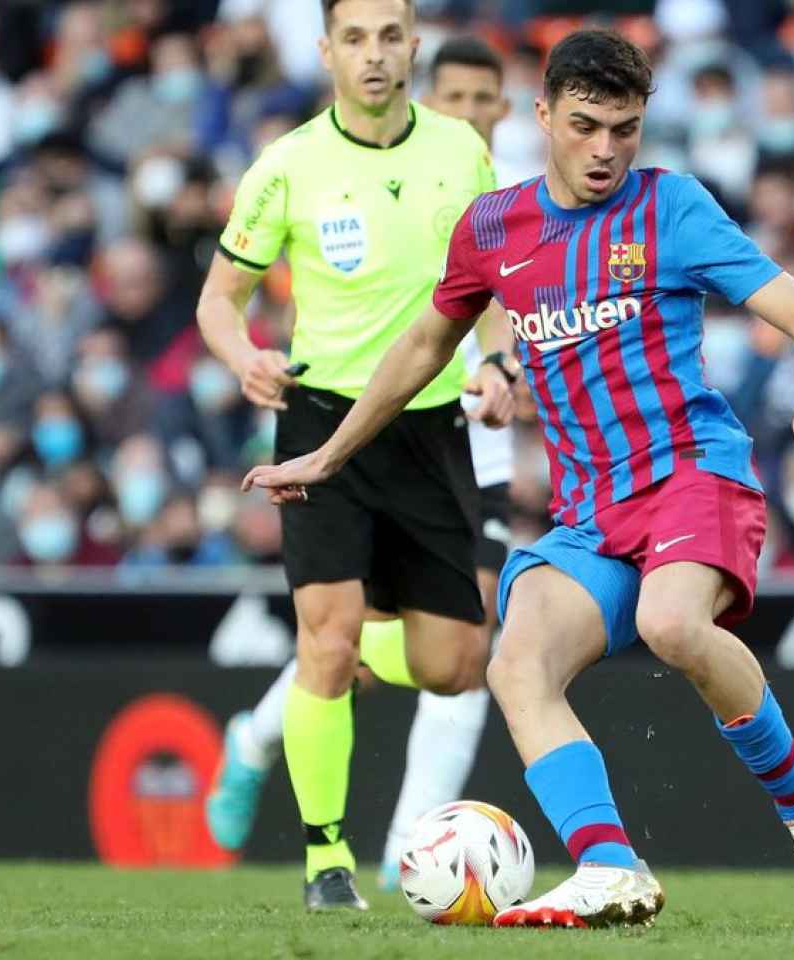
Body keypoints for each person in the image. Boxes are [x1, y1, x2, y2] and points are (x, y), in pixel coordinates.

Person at [244, 28, 794, 929]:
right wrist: (330, 454)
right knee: (516, 660)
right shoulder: (494, 228)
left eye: (626, 127)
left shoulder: (674, 209)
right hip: (592, 512)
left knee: (670, 623)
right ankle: (610, 866)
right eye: (586, 126)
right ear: (542, 117)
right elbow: (425, 344)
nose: (607, 148)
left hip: (693, 474)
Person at [196, 0, 514, 912]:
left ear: (412, 45)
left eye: (389, 36)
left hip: (430, 426)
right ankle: (326, 860)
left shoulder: (463, 150)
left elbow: (487, 279)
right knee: (327, 643)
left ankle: (319, 658)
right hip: (319, 425)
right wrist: (242, 354)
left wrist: (494, 358)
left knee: (456, 664)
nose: (374, 56)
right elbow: (220, 300)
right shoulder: (286, 166)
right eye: (355, 38)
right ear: (327, 50)